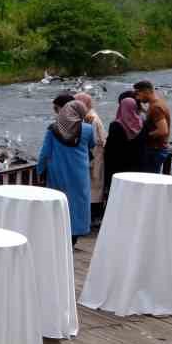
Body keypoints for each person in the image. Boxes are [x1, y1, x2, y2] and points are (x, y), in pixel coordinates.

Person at [36, 94, 96, 242]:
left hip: (58, 172)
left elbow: (44, 153)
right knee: (78, 202)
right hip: (80, 172)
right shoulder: (88, 129)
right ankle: (75, 235)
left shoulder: (53, 129)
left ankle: (58, 233)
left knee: (59, 202)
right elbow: (92, 145)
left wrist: (40, 170)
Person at [73, 92, 107, 221]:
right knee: (94, 184)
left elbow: (91, 140)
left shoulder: (91, 118)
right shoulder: (90, 115)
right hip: (95, 153)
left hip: (93, 154)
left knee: (93, 184)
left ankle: (92, 216)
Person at [103, 92, 144, 200]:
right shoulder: (141, 123)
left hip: (117, 164)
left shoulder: (116, 125)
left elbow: (110, 149)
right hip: (136, 163)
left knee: (117, 192)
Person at [133, 80, 172, 173]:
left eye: (138, 94)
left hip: (155, 149)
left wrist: (145, 135)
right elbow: (155, 121)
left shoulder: (156, 107)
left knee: (149, 180)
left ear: (146, 91)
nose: (137, 98)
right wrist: (144, 111)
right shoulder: (158, 103)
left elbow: (163, 130)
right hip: (158, 149)